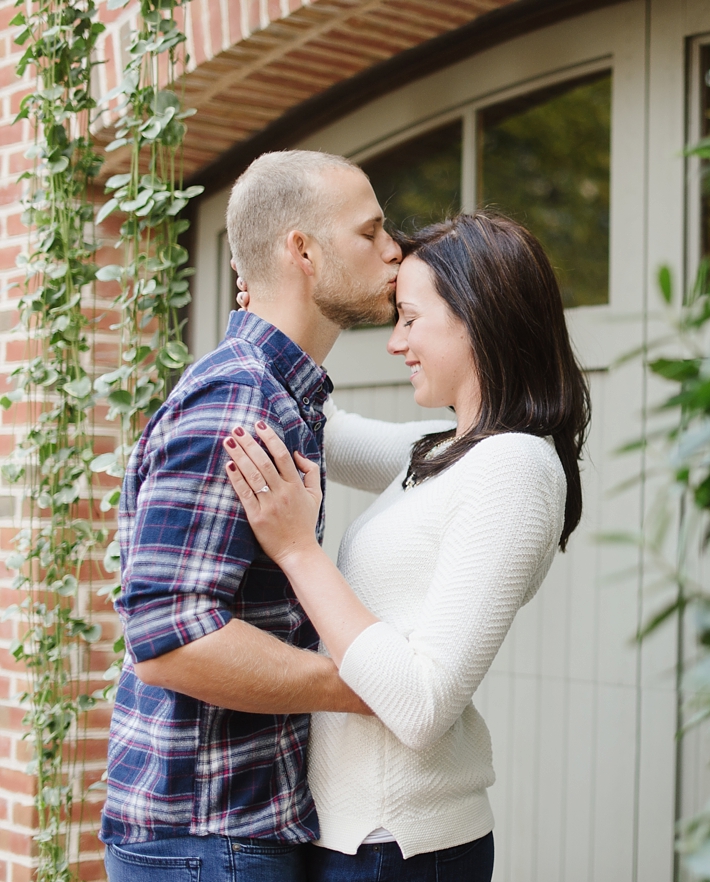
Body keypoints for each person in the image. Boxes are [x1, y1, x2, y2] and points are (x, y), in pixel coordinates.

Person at [220, 212, 590, 882]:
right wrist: (277, 310)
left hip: (399, 847)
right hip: (355, 836)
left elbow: (422, 703)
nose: (395, 343)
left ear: (477, 319)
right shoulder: (442, 452)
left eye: (410, 319)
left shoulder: (514, 470)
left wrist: (298, 552)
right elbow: (322, 425)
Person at [101, 150, 412, 882]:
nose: (395, 249)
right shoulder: (239, 401)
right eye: (371, 233)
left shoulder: (280, 394)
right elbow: (168, 638)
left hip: (224, 829)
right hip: (209, 837)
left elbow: (408, 450)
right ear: (302, 250)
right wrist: (360, 684)